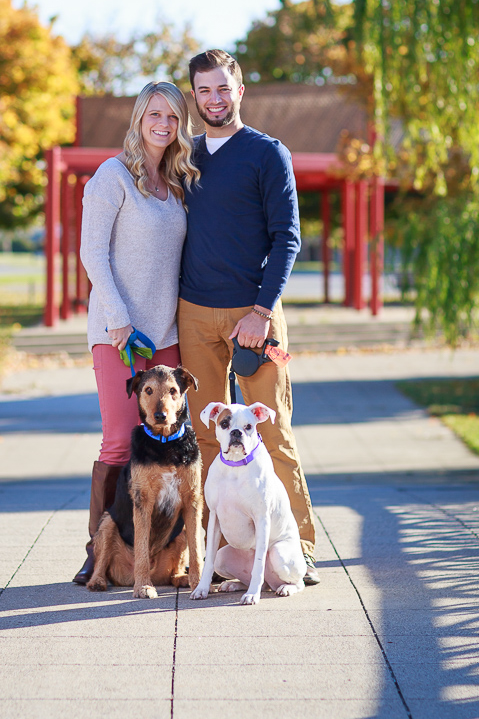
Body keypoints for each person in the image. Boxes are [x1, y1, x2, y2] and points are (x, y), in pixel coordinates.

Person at [177, 49, 320, 585]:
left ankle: (299, 547)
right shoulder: (185, 156)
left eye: (222, 88)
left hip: (254, 313)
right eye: (203, 90)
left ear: (240, 90)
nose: (213, 99)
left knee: (272, 431)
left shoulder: (267, 153)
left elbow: (288, 237)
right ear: (195, 96)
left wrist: (261, 310)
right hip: (193, 312)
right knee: (207, 435)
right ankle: (215, 559)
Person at [73, 80, 200, 585]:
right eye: (155, 115)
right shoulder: (113, 176)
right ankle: (97, 553)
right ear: (138, 119)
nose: (164, 125)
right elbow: (91, 253)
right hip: (117, 332)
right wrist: (119, 320)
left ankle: (165, 555)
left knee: (170, 442)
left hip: (165, 336)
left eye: (173, 117)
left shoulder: (177, 183)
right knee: (118, 447)